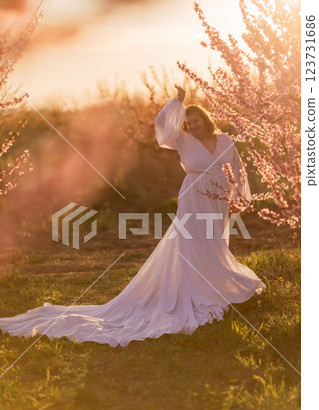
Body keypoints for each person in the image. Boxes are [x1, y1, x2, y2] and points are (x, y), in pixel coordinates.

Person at [0, 85, 266, 347]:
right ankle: (197, 291)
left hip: (219, 198)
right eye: (189, 122)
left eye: (196, 121)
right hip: (194, 196)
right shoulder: (184, 140)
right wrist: (177, 103)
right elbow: (164, 130)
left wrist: (238, 197)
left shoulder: (226, 141)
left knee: (215, 241)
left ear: (206, 120)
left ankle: (213, 284)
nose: (192, 125)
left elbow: (238, 169)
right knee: (193, 241)